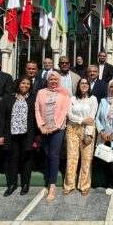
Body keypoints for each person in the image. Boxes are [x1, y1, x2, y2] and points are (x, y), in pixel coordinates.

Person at [0, 76, 37, 196]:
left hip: (27, 134)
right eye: (23, 83)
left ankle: (25, 185)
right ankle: (12, 184)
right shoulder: (8, 98)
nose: (25, 86)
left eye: (28, 84)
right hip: (11, 134)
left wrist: (38, 135)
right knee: (12, 159)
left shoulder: (33, 99)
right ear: (18, 84)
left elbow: (37, 118)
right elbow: (1, 117)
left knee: (26, 160)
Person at [35, 71, 71, 202]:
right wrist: (41, 126)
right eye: (51, 79)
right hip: (44, 128)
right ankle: (50, 177)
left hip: (58, 128)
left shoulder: (64, 93)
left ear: (59, 80)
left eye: (56, 79)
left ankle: (52, 185)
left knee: (54, 155)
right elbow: (37, 110)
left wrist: (54, 128)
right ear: (47, 80)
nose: (53, 81)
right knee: (47, 153)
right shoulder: (41, 92)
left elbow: (64, 112)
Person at [64, 77, 98, 195]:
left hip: (87, 130)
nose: (84, 85)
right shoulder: (72, 98)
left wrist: (88, 133)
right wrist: (82, 120)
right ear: (78, 85)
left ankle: (84, 184)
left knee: (86, 158)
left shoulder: (92, 99)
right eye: (82, 83)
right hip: (72, 129)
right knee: (72, 157)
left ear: (89, 86)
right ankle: (69, 184)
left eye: (86, 83)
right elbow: (68, 114)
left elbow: (92, 118)